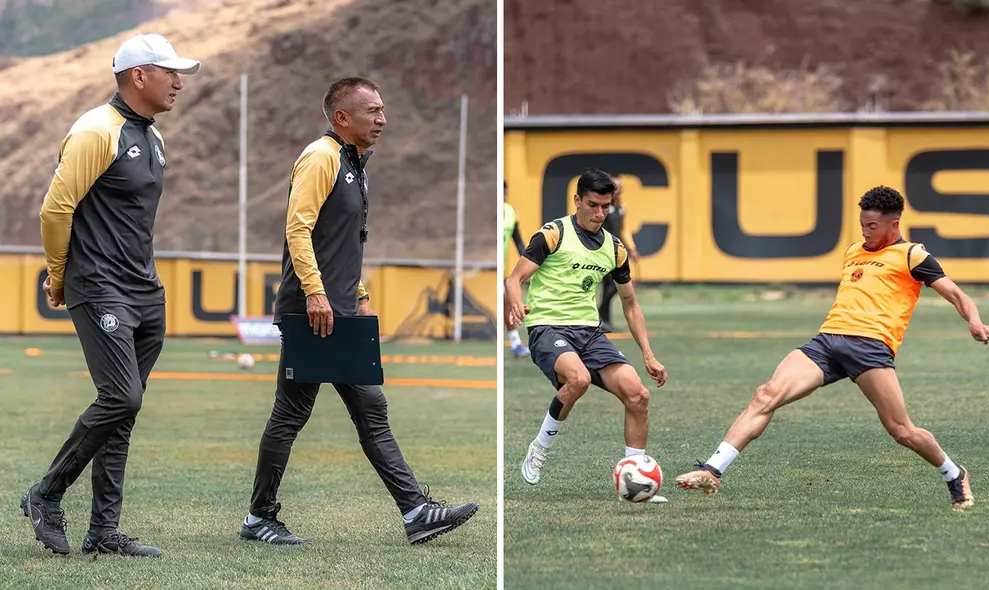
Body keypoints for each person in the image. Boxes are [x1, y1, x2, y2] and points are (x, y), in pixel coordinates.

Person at [241, 77, 479, 546]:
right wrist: (315, 293)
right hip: (314, 312)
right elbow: (298, 229)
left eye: (383, 110)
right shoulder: (321, 157)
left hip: (340, 309)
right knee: (293, 413)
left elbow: (342, 244)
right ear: (341, 117)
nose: (383, 119)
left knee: (369, 408)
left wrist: (360, 293)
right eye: (373, 111)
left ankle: (416, 512)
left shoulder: (353, 165)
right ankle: (259, 518)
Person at [675, 185, 989, 509]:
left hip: (870, 347)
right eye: (862, 225)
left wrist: (974, 321)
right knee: (765, 394)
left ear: (894, 224)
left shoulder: (912, 255)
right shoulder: (853, 251)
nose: (865, 232)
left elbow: (957, 294)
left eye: (872, 226)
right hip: (828, 340)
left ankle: (954, 473)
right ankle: (712, 469)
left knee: (901, 431)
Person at [22, 34, 200, 557]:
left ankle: (103, 532)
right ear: (139, 75)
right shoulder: (96, 130)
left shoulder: (155, 137)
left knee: (123, 411)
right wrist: (59, 274)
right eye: (170, 72)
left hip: (145, 290)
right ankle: (46, 493)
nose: (179, 82)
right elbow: (56, 210)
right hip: (100, 286)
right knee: (122, 397)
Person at [504, 167, 669, 500]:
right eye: (593, 205)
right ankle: (539, 447)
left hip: (590, 334)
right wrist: (518, 304)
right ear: (577, 200)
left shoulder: (615, 248)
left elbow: (630, 304)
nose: (600, 213)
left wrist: (648, 355)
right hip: (548, 327)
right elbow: (514, 279)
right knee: (577, 379)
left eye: (606, 207)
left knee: (638, 395)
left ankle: (635, 477)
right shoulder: (553, 234)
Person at [597, 173, 639, 333]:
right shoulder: (602, 206)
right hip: (603, 250)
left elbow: (624, 229)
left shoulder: (621, 206)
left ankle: (604, 320)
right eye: (616, 187)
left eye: (621, 187)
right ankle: (601, 318)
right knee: (610, 285)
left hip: (617, 250)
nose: (618, 190)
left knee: (612, 286)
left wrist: (632, 248)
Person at [503, 180, 530, 358]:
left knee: (506, 302)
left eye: (504, 192)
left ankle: (515, 344)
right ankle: (515, 343)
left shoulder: (510, 212)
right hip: (486, 268)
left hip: (501, 269)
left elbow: (518, 240)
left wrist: (528, 261)